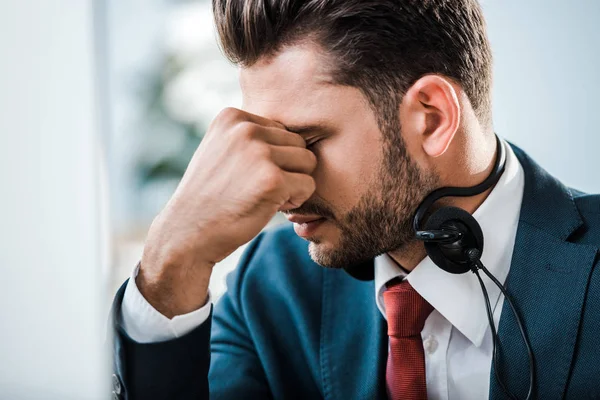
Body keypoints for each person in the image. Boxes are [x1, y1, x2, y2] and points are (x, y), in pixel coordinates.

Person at [109, 0, 600, 399]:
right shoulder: (269, 286)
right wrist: (173, 258)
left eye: (307, 141)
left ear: (431, 117)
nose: (283, 187)